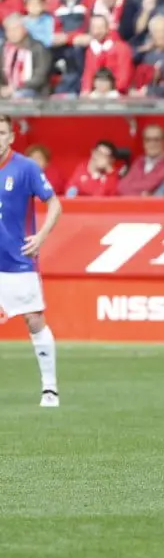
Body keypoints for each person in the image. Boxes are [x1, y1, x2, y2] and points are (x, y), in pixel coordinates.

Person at [0, 115, 63, 408]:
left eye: (1, 133)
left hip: (16, 259)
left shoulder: (25, 168)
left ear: (10, 136)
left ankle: (49, 389)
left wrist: (41, 236)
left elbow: (54, 203)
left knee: (34, 319)